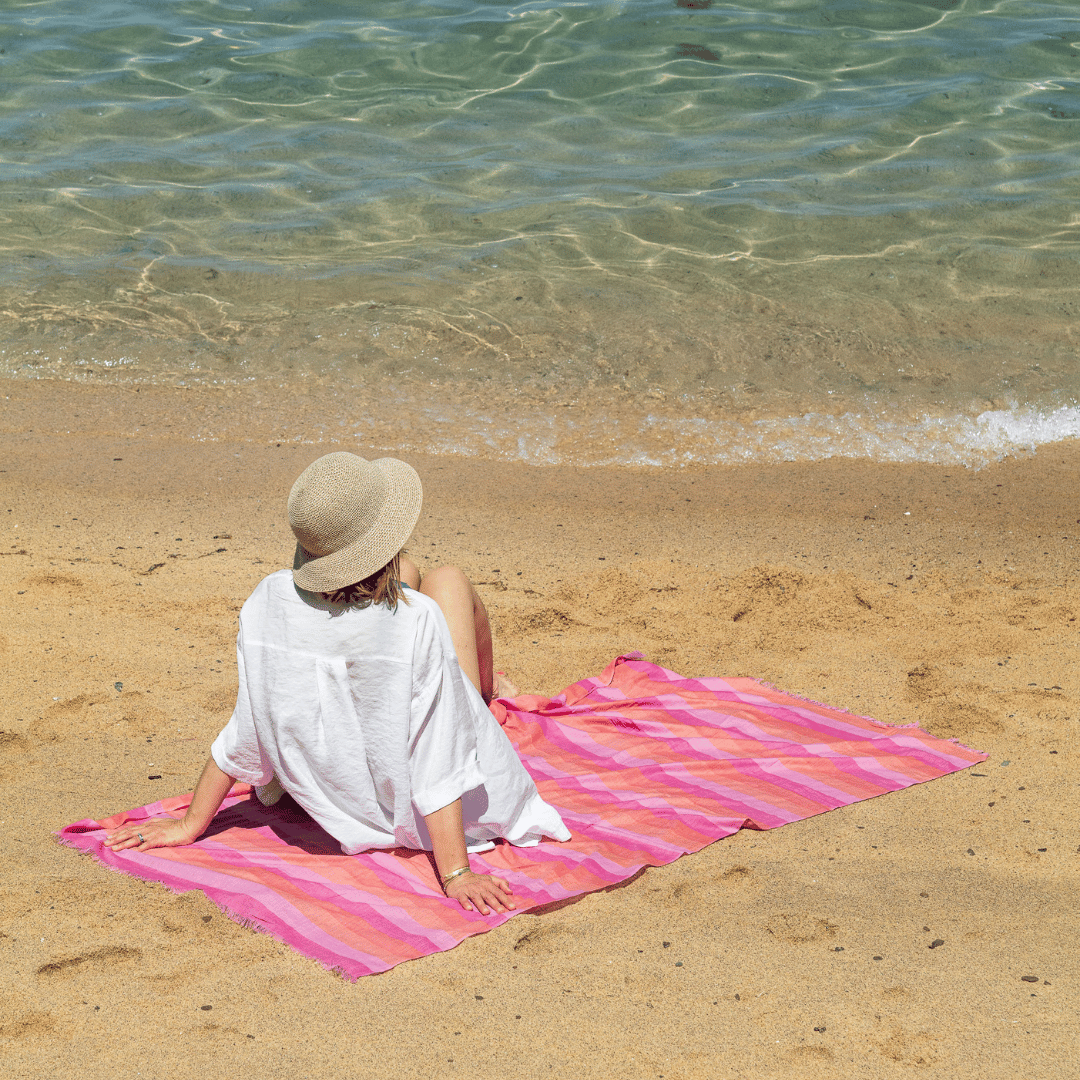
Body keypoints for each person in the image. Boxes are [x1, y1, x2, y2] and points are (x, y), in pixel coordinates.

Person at [104, 452, 570, 915]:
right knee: (448, 581)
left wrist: (191, 824)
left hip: (331, 790)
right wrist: (456, 872)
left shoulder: (266, 599)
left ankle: (474, 689)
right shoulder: (418, 621)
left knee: (406, 576)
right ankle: (485, 697)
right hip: (410, 806)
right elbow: (437, 754)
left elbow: (249, 725)